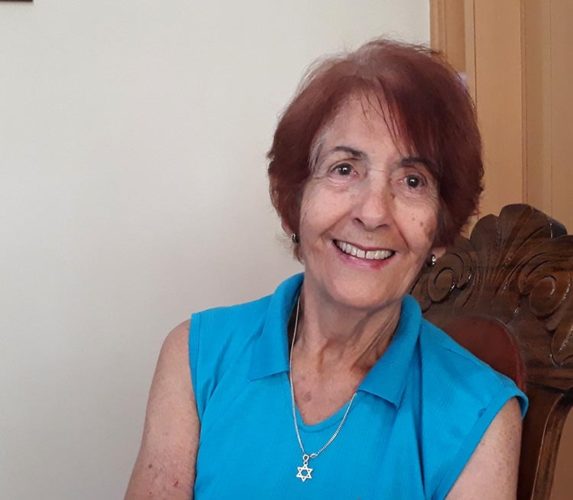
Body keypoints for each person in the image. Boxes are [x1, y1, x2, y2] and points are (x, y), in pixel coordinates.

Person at [126, 39, 527, 499]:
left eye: (413, 181)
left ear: (440, 227)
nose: (373, 213)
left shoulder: (481, 416)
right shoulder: (195, 357)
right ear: (294, 200)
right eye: (344, 169)